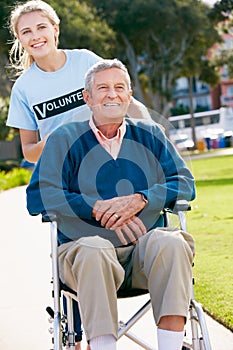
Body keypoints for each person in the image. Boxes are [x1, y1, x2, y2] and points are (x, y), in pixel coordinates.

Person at [6, 2, 150, 348]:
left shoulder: (86, 60)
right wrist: (60, 133)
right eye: (26, 32)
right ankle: (78, 337)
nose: (36, 36)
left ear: (55, 29)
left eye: (41, 27)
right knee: (78, 251)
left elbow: (120, 96)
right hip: (66, 175)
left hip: (110, 162)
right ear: (20, 41)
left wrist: (149, 134)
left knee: (137, 230)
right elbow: (28, 151)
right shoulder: (24, 89)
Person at [26, 58, 196, 350]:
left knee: (172, 243)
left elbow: (184, 181)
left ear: (129, 96)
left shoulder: (151, 134)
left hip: (142, 258)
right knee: (95, 249)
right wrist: (94, 207)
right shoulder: (65, 138)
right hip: (83, 254)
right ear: (87, 98)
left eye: (120, 87)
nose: (112, 94)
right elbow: (38, 194)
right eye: (102, 88)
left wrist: (141, 199)